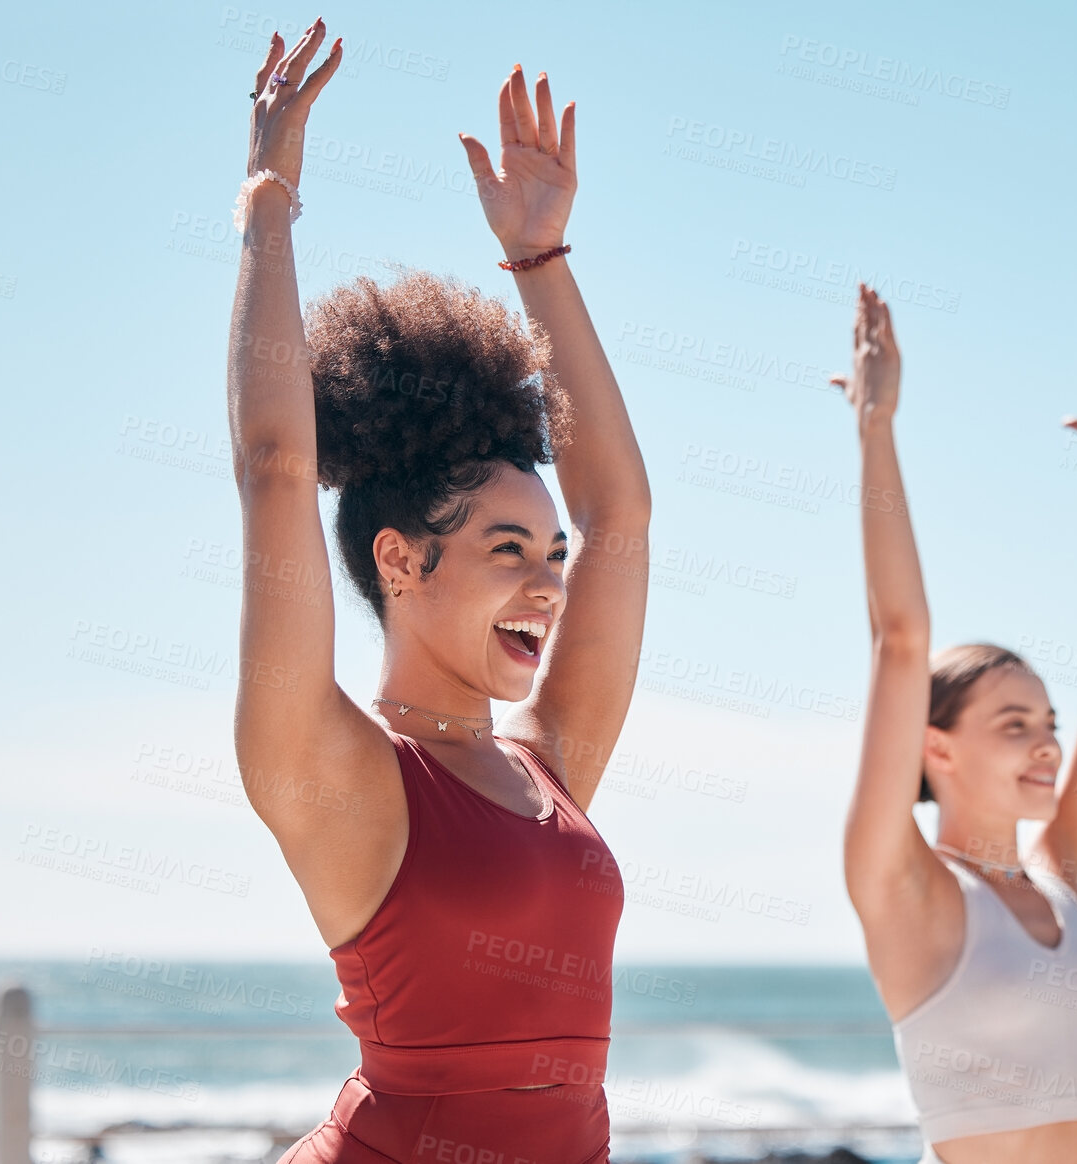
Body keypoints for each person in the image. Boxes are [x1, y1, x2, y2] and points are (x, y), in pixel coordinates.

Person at [226, 19, 650, 1163]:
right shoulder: (336, 770)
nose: (550, 586)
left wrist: (539, 265)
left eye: (552, 558)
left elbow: (622, 518)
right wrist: (269, 203)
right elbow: (277, 471)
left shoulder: (550, 759)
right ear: (400, 561)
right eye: (509, 549)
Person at [832, 284, 1077, 1163]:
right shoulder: (905, 888)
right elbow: (901, 642)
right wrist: (876, 431)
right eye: (1014, 724)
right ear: (933, 746)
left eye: (1047, 722)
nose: (1050, 742)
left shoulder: (1062, 876)